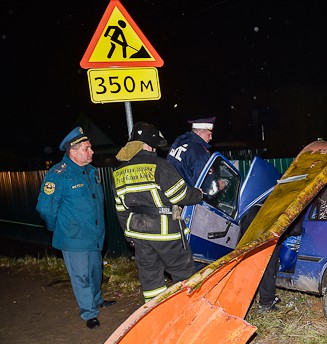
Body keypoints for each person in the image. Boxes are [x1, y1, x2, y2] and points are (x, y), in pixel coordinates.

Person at [112, 122, 205, 302]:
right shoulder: (160, 165)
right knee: (184, 274)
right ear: (148, 145)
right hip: (166, 233)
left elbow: (120, 209)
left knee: (150, 279)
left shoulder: (119, 172)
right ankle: (188, 311)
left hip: (138, 233)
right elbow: (181, 195)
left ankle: (156, 313)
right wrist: (199, 194)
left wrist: (128, 235)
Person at [36, 127, 115, 330]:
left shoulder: (90, 171)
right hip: (73, 237)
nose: (92, 152)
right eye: (87, 149)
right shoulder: (58, 175)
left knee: (96, 271)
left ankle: (97, 299)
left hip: (94, 234)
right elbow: (45, 208)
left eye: (90, 148)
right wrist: (60, 228)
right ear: (73, 152)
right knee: (81, 276)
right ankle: (89, 313)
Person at [167, 117, 217, 187]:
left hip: (170, 188)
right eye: (209, 134)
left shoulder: (179, 141)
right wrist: (217, 185)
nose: (211, 138)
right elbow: (204, 183)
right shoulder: (199, 152)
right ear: (200, 134)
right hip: (187, 194)